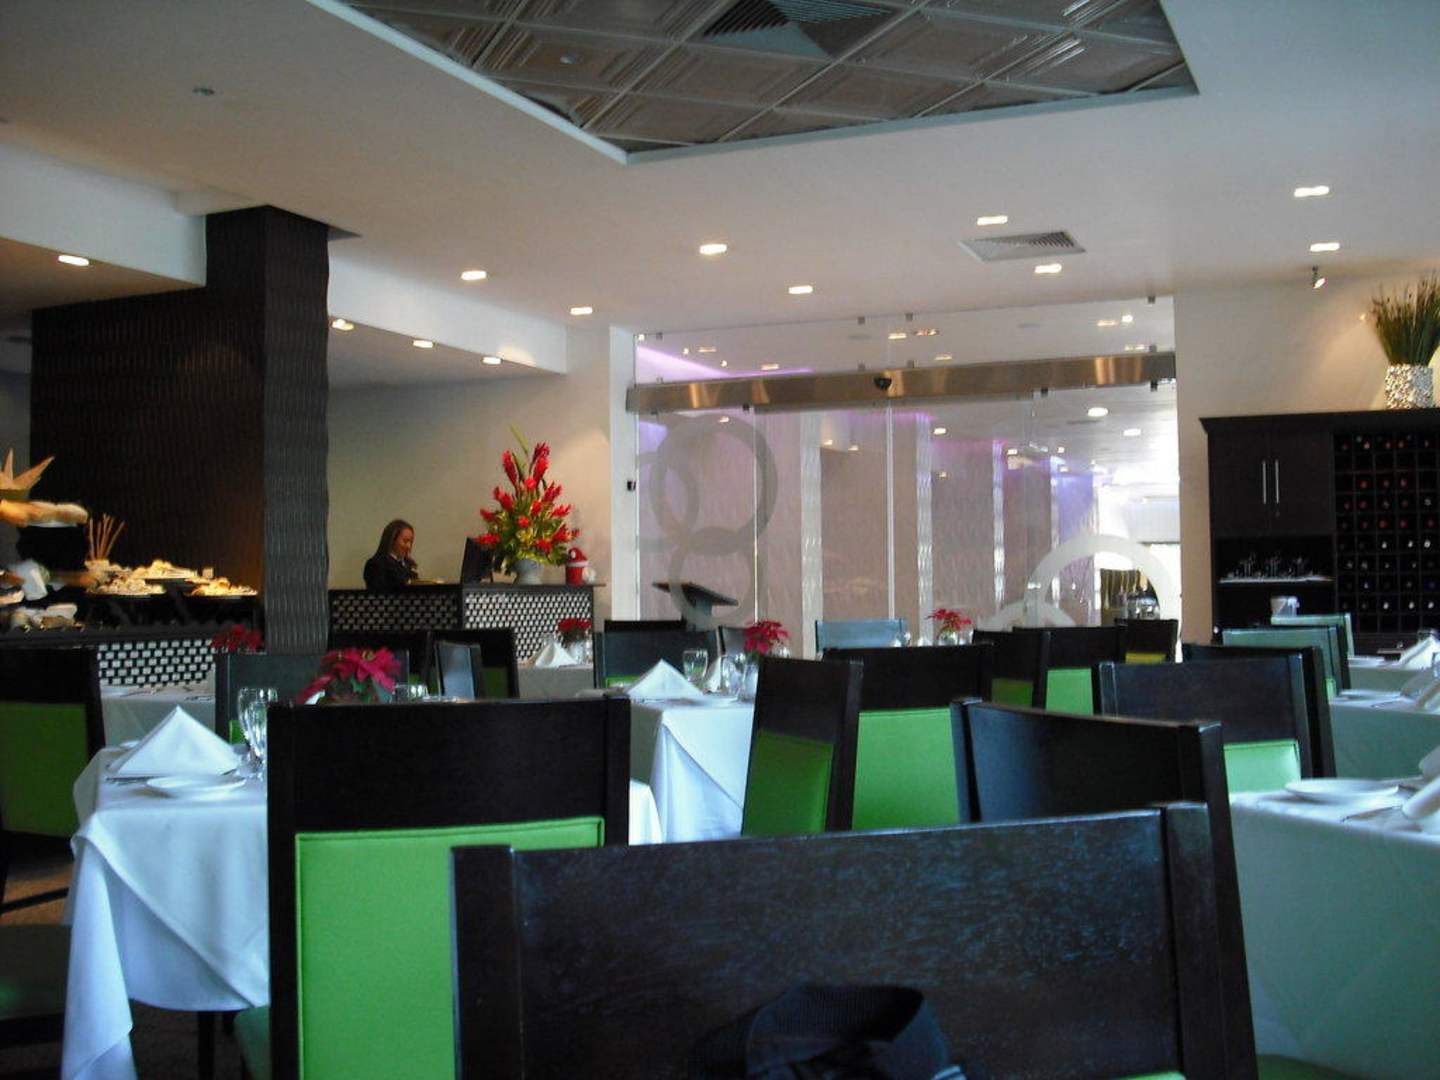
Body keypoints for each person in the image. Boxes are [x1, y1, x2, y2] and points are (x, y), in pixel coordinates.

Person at [364, 519, 418, 592]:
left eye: (411, 542)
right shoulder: (377, 564)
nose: (409, 546)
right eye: (405, 541)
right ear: (392, 540)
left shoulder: (409, 565)